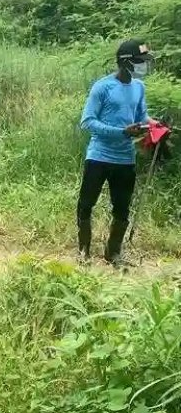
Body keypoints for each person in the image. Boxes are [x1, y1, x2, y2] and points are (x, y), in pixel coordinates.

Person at [78, 39, 153, 267]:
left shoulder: (139, 87)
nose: (143, 66)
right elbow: (88, 122)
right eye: (140, 61)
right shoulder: (103, 87)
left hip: (124, 159)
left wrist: (154, 125)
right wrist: (121, 132)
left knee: (122, 207)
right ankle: (84, 253)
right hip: (99, 156)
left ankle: (114, 254)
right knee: (86, 204)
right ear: (125, 62)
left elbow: (142, 116)